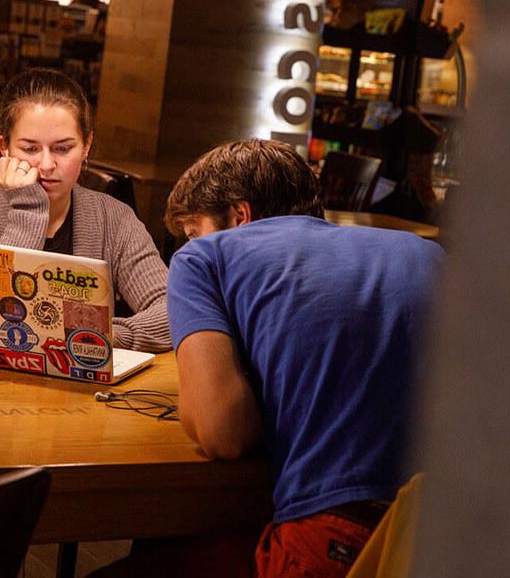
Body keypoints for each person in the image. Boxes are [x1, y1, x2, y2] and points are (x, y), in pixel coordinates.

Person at [158, 139, 444, 577]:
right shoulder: (426, 252)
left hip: (339, 533)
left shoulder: (204, 258)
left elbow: (224, 433)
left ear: (239, 216)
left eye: (194, 229)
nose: (190, 242)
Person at [0, 68, 170, 352]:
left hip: (83, 389)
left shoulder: (114, 218)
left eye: (63, 149)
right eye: (30, 149)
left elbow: (173, 310)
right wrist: (28, 207)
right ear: (4, 147)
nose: (46, 165)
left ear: (87, 145)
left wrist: (103, 335)